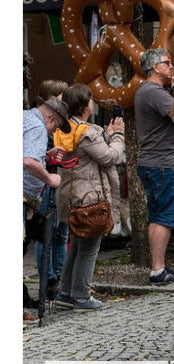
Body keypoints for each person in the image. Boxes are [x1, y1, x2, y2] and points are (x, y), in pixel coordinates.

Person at [53, 83, 125, 311]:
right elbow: (110, 157)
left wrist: (106, 135)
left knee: (77, 246)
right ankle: (81, 296)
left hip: (70, 197)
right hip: (88, 199)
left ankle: (65, 293)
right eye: (91, 100)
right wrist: (118, 136)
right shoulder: (87, 133)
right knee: (89, 249)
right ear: (85, 105)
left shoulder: (65, 129)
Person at [135, 48, 174, 285]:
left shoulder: (148, 91)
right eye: (168, 63)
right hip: (164, 165)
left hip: (159, 163)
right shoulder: (153, 92)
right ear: (155, 67)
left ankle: (159, 267)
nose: (172, 67)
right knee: (164, 218)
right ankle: (157, 270)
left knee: (159, 216)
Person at [23, 96, 70, 322]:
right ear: (50, 118)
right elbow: (29, 162)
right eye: (56, 126)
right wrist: (50, 178)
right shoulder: (38, 127)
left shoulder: (24, 118)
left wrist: (45, 157)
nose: (54, 131)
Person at [32, 79, 70, 302]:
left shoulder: (59, 122)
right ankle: (49, 279)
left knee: (61, 234)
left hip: (58, 181)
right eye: (63, 96)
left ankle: (59, 278)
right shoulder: (39, 126)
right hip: (45, 184)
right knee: (45, 233)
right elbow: (32, 158)